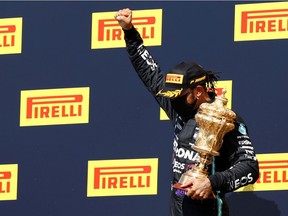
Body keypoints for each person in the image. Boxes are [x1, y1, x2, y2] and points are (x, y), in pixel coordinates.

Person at [114, 8, 259, 216]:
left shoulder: (226, 121)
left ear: (198, 91)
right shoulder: (178, 107)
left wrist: (211, 182)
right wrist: (129, 32)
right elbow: (149, 73)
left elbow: (250, 168)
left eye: (179, 96)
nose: (173, 101)